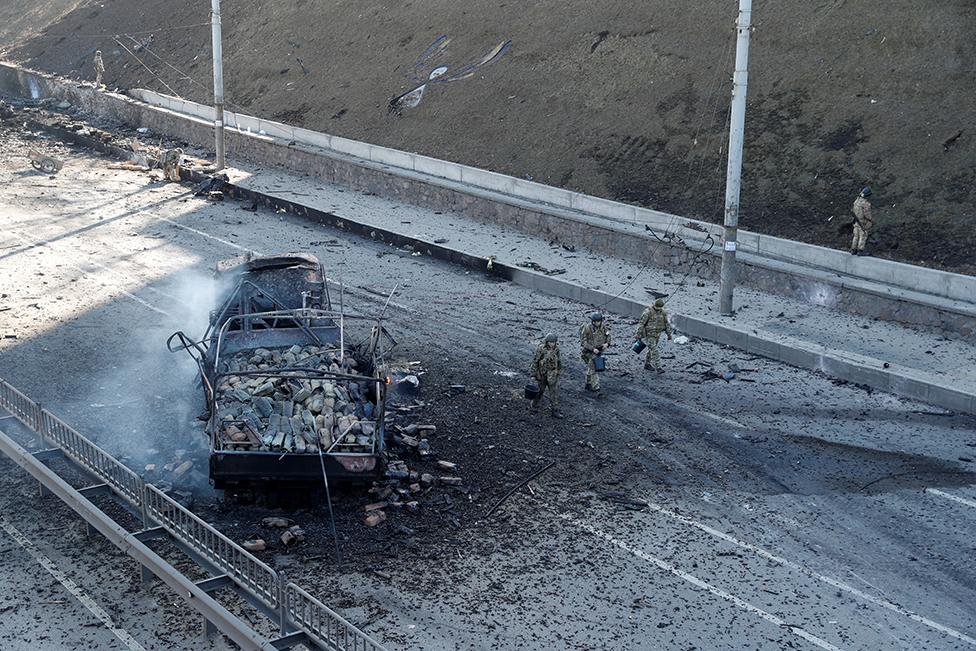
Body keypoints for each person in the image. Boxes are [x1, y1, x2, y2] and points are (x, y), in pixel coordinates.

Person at [529, 333, 563, 418]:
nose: (552, 344)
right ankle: (533, 405)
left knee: (553, 393)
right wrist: (533, 374)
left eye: (554, 342)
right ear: (547, 342)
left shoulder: (557, 349)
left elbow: (558, 360)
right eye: (550, 342)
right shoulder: (541, 349)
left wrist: (558, 370)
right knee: (540, 391)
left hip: (552, 374)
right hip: (542, 374)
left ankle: (555, 410)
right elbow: (535, 361)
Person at [635, 298, 673, 372]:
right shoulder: (648, 312)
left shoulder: (663, 313)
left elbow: (667, 324)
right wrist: (638, 334)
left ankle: (647, 364)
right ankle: (658, 367)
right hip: (649, 335)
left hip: (657, 334)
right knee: (654, 350)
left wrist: (669, 334)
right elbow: (641, 324)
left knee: (651, 350)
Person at [579, 311, 610, 393]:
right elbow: (583, 342)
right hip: (589, 352)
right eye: (596, 321)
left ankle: (588, 383)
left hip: (599, 351)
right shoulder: (587, 329)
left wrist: (607, 344)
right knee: (594, 368)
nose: (598, 323)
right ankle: (596, 388)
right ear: (593, 322)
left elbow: (608, 336)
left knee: (591, 367)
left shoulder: (603, 327)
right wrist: (592, 349)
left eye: (599, 321)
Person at [851, 186, 874, 255]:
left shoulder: (857, 201)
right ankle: (860, 250)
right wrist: (872, 220)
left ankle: (853, 249)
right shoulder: (866, 204)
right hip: (862, 222)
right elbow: (867, 215)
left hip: (856, 221)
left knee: (856, 236)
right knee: (863, 235)